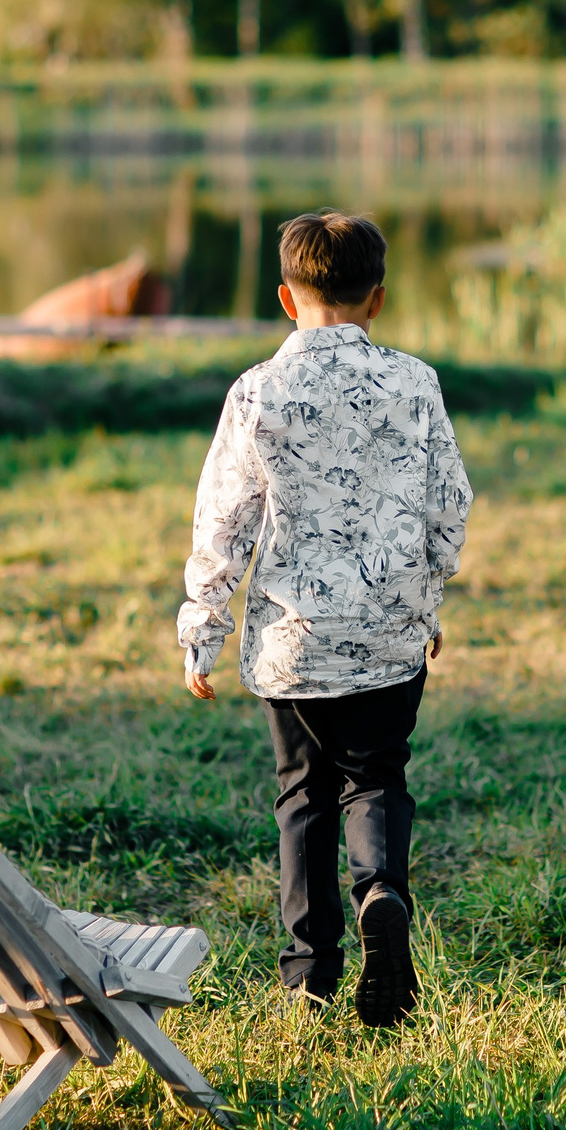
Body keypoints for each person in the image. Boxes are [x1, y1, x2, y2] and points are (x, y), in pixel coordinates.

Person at [176, 211, 473, 1026]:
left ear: (284, 298)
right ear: (378, 300)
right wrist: (427, 594)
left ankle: (308, 974)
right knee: (376, 777)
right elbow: (448, 503)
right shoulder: (414, 382)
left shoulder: (257, 392)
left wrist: (202, 627)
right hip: (388, 635)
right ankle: (382, 893)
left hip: (292, 647)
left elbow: (224, 520)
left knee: (303, 795)